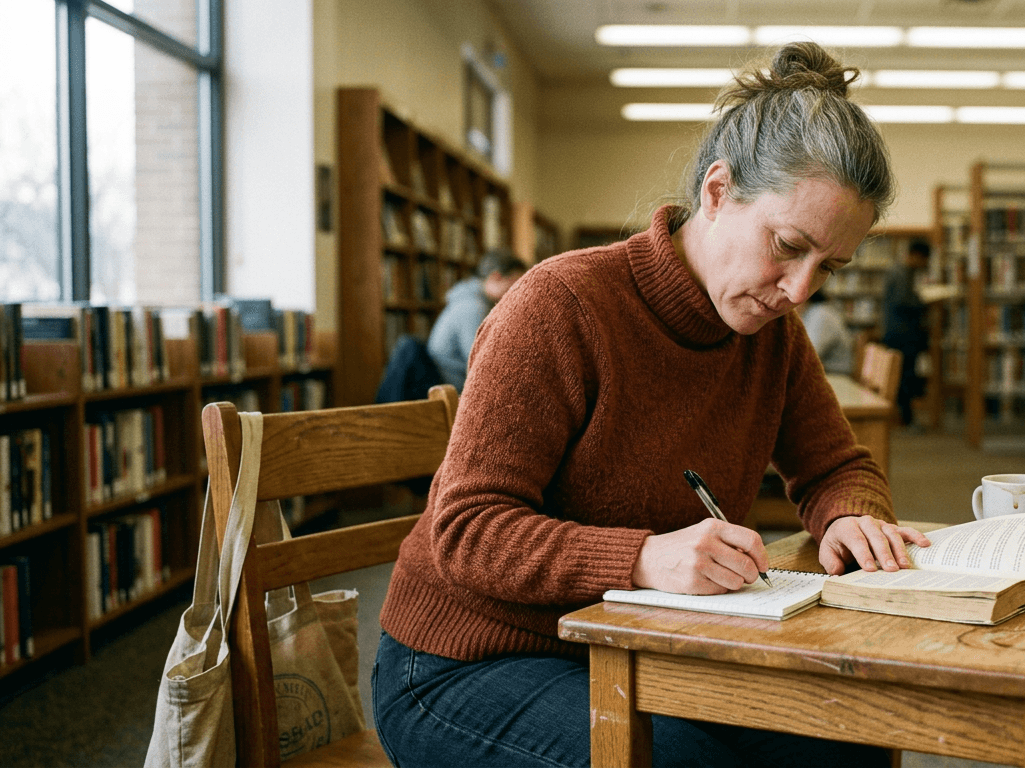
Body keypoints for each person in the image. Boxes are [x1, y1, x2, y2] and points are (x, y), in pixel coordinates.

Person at [373, 42, 932, 768]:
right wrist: (639, 557)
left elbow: (836, 465)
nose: (799, 290)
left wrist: (851, 512)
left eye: (829, 266)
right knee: (683, 763)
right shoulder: (560, 304)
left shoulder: (773, 335)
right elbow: (468, 531)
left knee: (846, 732)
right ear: (718, 191)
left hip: (637, 642)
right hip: (466, 659)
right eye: (787, 246)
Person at [425, 247, 526, 391]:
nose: (519, 291)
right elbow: (481, 363)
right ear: (496, 277)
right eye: (516, 283)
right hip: (451, 388)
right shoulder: (472, 307)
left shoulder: (477, 301)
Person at [881, 238, 931, 427]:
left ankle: (904, 417)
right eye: (925, 260)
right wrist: (924, 302)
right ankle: (906, 418)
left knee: (904, 376)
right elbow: (903, 302)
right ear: (917, 256)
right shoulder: (902, 273)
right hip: (902, 335)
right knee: (905, 376)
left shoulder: (899, 271)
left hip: (897, 332)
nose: (925, 265)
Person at [801, 287, 853, 375]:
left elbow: (809, 355)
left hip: (836, 376)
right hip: (828, 372)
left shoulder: (821, 315)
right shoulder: (814, 312)